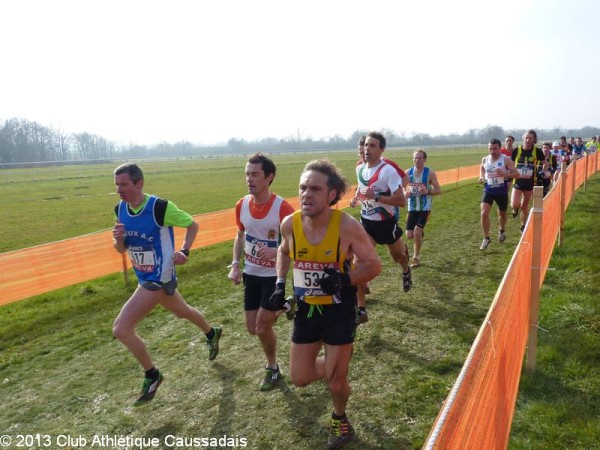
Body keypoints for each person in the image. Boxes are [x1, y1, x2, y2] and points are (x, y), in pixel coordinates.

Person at [269, 159, 382, 448]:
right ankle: (337, 366)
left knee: (334, 383)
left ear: (331, 195)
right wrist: (280, 284)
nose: (306, 194)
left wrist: (343, 280)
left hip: (339, 312)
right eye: (303, 188)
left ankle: (339, 417)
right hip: (307, 311)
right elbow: (283, 252)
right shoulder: (289, 224)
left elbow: (373, 265)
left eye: (315, 189)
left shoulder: (347, 226)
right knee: (300, 377)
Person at [112, 163, 222, 406]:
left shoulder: (159, 208)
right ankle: (212, 333)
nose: (119, 190)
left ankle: (152, 375)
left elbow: (193, 225)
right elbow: (121, 249)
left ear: (139, 183)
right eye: (116, 185)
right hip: (144, 277)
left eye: (124, 185)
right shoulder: (120, 209)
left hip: (159, 278)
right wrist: (118, 240)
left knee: (121, 328)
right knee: (183, 312)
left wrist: (184, 250)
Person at [227, 153, 295, 391]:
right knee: (252, 328)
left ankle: (273, 368)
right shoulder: (242, 205)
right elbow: (240, 234)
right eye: (247, 174)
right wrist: (235, 264)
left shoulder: (282, 207)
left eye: (255, 174)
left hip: (273, 276)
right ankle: (285, 306)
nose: (249, 179)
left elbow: (298, 242)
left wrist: (276, 250)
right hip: (251, 273)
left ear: (269, 177)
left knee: (262, 327)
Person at [351, 131, 412, 325]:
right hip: (367, 222)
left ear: (381, 149)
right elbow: (362, 188)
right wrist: (358, 197)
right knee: (357, 263)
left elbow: (401, 201)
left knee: (398, 256)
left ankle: (405, 269)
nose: (367, 149)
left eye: (372, 146)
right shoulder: (360, 168)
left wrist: (375, 196)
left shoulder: (388, 171)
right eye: (366, 145)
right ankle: (361, 309)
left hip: (386, 223)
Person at [478, 139, 521, 250]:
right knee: (484, 213)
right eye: (490, 148)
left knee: (502, 214)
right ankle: (486, 238)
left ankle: (501, 230)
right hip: (488, 189)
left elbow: (517, 174)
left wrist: (504, 173)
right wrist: (482, 177)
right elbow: (482, 167)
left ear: (500, 147)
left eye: (495, 148)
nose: (492, 151)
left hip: (501, 190)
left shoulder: (506, 159)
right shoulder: (485, 159)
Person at [403, 149, 441, 267]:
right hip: (412, 207)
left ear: (425, 159)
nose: (417, 160)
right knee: (410, 235)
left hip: (425, 207)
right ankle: (419, 233)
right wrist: (406, 192)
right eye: (415, 158)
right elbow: (402, 187)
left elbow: (438, 190)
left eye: (420, 158)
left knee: (417, 232)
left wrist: (428, 191)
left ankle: (416, 258)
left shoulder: (430, 173)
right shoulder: (408, 172)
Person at [510, 130, 547, 233]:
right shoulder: (516, 150)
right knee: (514, 203)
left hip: (530, 182)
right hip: (517, 181)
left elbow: (546, 164)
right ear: (523, 139)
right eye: (526, 138)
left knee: (524, 206)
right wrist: (510, 172)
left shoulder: (537, 151)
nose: (528, 140)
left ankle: (523, 225)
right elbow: (510, 164)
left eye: (530, 138)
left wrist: (542, 173)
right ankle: (515, 208)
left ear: (534, 140)